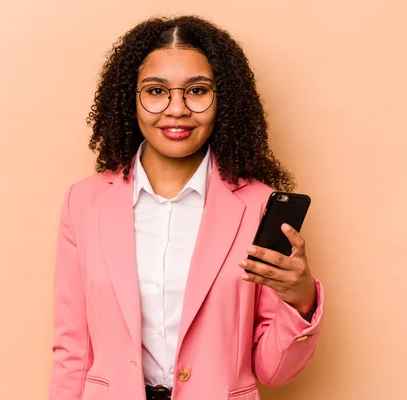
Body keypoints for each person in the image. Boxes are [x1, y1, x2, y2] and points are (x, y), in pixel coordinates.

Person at [49, 15, 324, 400]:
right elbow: (73, 352)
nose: (176, 109)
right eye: (156, 91)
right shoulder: (84, 202)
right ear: (130, 99)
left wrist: (300, 300)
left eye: (197, 91)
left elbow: (272, 371)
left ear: (223, 100)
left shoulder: (258, 206)